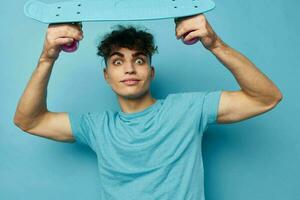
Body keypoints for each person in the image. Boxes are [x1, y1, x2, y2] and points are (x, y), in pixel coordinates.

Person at [13, 14, 282, 199]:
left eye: (139, 60)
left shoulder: (187, 109)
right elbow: (29, 120)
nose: (129, 68)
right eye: (117, 61)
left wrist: (215, 44)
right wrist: (47, 58)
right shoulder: (97, 126)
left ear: (151, 72)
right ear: (106, 76)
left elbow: (266, 97)